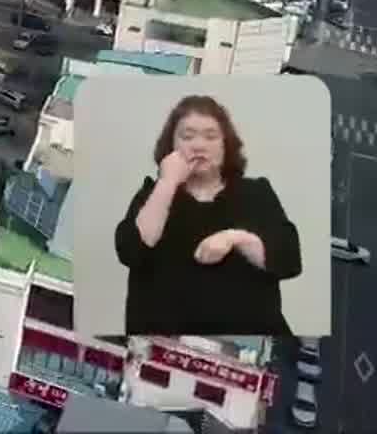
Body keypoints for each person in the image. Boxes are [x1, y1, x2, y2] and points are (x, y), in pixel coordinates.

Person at [114, 94, 302, 336]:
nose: (198, 145)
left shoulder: (256, 193)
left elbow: (289, 261)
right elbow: (131, 250)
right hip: (165, 347)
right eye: (187, 136)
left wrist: (236, 238)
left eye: (211, 136)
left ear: (226, 145)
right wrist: (168, 181)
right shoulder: (155, 193)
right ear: (171, 146)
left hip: (244, 348)